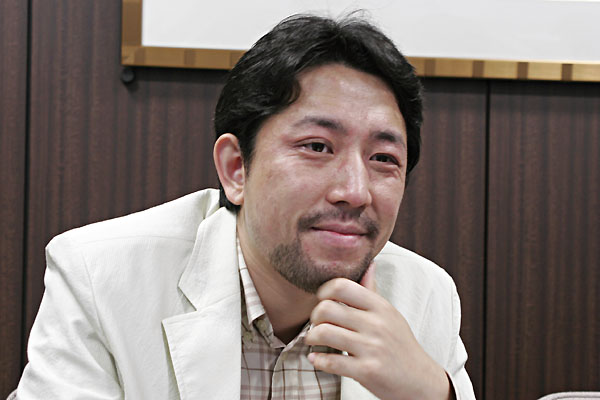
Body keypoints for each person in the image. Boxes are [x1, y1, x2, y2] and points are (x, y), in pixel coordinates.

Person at [16, 14, 475, 400]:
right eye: (317, 146)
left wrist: (434, 393)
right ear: (236, 168)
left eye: (383, 159)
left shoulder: (425, 295)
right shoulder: (103, 276)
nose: (355, 192)